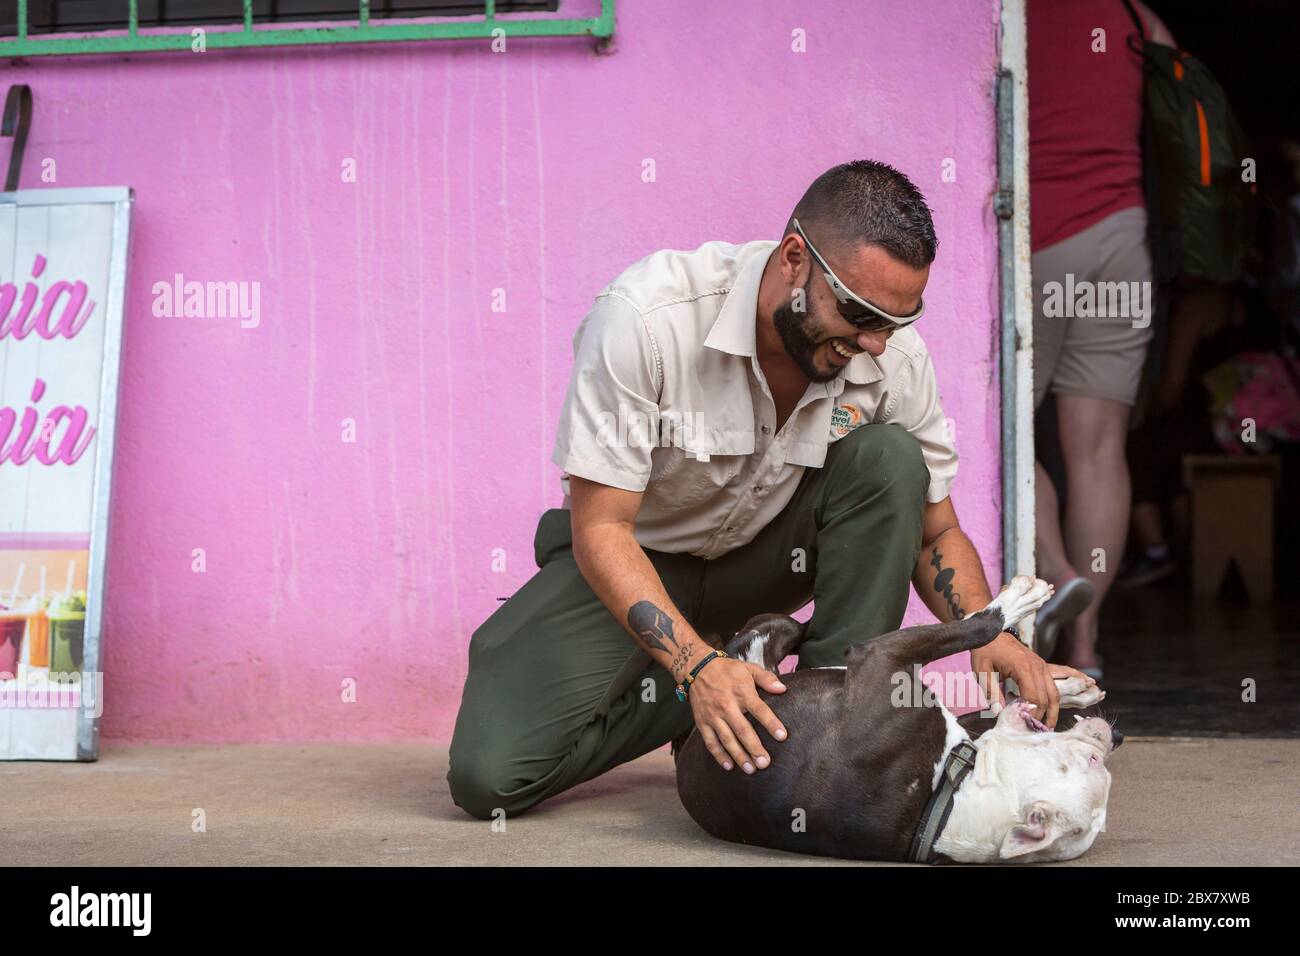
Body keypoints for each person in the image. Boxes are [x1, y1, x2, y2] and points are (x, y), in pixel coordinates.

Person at [446, 160, 1090, 820]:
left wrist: (983, 632)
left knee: (889, 459)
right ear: (793, 259)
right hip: (639, 560)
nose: (874, 342)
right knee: (489, 776)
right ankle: (738, 691)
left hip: (769, 561)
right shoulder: (645, 319)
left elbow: (936, 531)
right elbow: (601, 530)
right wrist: (696, 668)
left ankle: (833, 720)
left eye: (895, 320)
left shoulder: (891, 356)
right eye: (858, 312)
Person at [1026, 0, 1175, 677]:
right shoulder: (1131, 12)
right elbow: (1181, 88)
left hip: (1035, 239)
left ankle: (1055, 570)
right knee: (1098, 451)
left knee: (991, 435)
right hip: (1122, 241)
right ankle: (1085, 646)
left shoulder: (1000, 13)